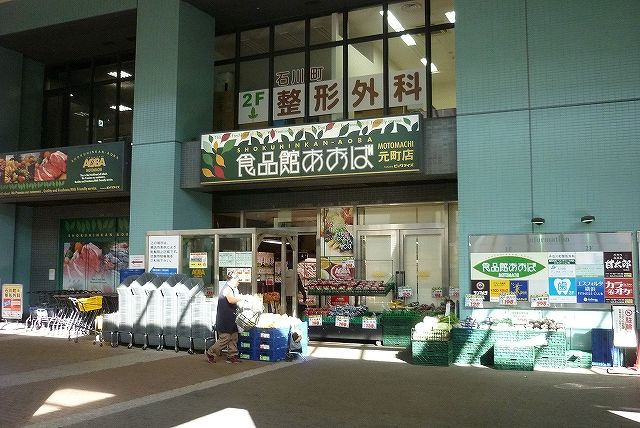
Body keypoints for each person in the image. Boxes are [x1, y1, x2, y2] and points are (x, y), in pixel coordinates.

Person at [206, 272, 246, 364]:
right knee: (225, 337)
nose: (239, 282)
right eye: (238, 280)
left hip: (231, 317)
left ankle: (232, 356)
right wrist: (242, 298)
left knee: (234, 336)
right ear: (233, 280)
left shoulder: (232, 289)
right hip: (225, 318)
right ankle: (211, 352)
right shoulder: (227, 289)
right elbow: (231, 300)